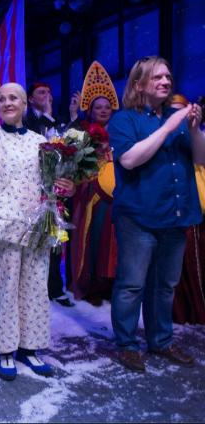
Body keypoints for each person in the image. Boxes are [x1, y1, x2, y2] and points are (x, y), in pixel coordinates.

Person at [0, 82, 75, 381]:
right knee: (4, 290)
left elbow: (53, 180)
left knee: (35, 289)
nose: (7, 103)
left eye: (13, 98)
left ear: (25, 104)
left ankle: (30, 347)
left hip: (34, 226)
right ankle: (5, 348)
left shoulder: (41, 142)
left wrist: (67, 185)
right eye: (1, 99)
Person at [109, 56, 204, 373]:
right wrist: (168, 128)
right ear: (138, 84)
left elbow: (201, 158)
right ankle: (127, 344)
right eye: (157, 77)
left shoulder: (178, 118)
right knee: (132, 284)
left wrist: (194, 130)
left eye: (168, 77)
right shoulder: (124, 120)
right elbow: (129, 160)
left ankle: (161, 341)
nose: (166, 81)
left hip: (175, 214)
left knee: (165, 285)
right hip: (138, 216)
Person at [69, 61, 120, 305]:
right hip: (90, 194)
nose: (103, 110)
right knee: (93, 238)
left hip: (117, 195)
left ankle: (111, 284)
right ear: (90, 110)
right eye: (98, 107)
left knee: (114, 240)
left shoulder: (121, 131)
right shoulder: (83, 132)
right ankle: (92, 286)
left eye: (107, 107)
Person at [25, 82, 74, 307]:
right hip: (31, 188)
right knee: (34, 240)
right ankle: (32, 288)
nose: (47, 95)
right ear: (30, 98)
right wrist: (46, 115)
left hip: (54, 188)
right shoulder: (26, 120)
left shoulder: (56, 119)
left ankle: (55, 287)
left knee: (55, 238)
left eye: (49, 91)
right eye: (41, 92)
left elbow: (65, 147)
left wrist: (72, 117)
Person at [170, 94, 205, 325]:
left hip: (195, 210)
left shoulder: (194, 136)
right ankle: (178, 311)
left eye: (180, 111)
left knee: (194, 263)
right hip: (170, 211)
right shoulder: (162, 138)